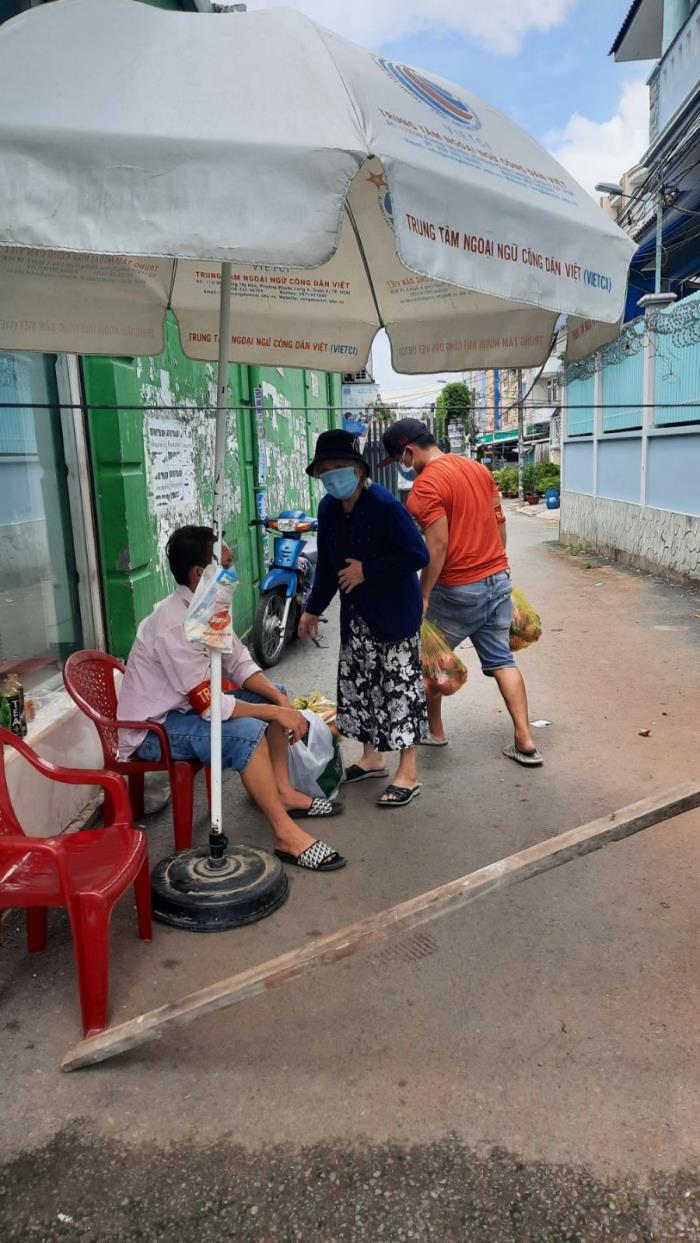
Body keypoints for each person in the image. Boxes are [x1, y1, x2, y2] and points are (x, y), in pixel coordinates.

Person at [117, 525, 346, 872]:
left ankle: (283, 792)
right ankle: (284, 833)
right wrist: (273, 712)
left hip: (185, 709)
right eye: (225, 563)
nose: (233, 572)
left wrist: (277, 703)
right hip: (154, 729)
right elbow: (210, 704)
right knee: (246, 733)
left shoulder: (207, 604)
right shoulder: (173, 625)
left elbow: (237, 660)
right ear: (199, 573)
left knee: (276, 696)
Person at [379, 418, 542, 767]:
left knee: (431, 660)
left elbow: (436, 546)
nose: (402, 468)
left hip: (455, 588)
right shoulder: (477, 468)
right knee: (502, 661)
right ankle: (525, 738)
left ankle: (435, 732)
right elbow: (500, 522)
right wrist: (499, 567)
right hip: (496, 580)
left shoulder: (425, 488)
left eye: (399, 460)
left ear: (408, 451)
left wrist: (423, 595)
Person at [299, 430, 429, 808]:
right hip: (357, 618)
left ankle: (409, 772)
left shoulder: (385, 505)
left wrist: (367, 570)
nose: (333, 474)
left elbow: (417, 555)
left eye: (340, 466)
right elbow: (328, 566)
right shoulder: (328, 509)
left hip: (393, 617)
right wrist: (312, 609)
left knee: (398, 690)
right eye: (326, 470)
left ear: (358, 468)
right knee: (362, 687)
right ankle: (372, 757)